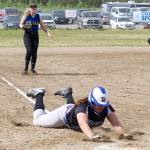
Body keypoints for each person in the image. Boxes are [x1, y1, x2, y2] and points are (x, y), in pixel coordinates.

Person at [26, 86, 133, 141]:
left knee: (73, 108)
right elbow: (83, 124)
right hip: (62, 116)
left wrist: (122, 134)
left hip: (72, 111)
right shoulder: (83, 107)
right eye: (97, 104)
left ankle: (67, 93)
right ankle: (39, 93)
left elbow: (116, 124)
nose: (100, 107)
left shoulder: (106, 107)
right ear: (91, 101)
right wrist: (92, 137)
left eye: (103, 105)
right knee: (37, 120)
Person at [20, 4, 52, 75]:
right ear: (30, 9)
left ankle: (32, 69)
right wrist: (23, 26)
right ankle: (25, 69)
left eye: (34, 8)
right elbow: (20, 24)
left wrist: (47, 32)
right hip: (27, 36)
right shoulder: (26, 15)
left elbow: (43, 26)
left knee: (34, 53)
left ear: (36, 9)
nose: (33, 9)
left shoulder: (38, 16)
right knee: (29, 51)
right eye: (32, 8)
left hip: (35, 36)